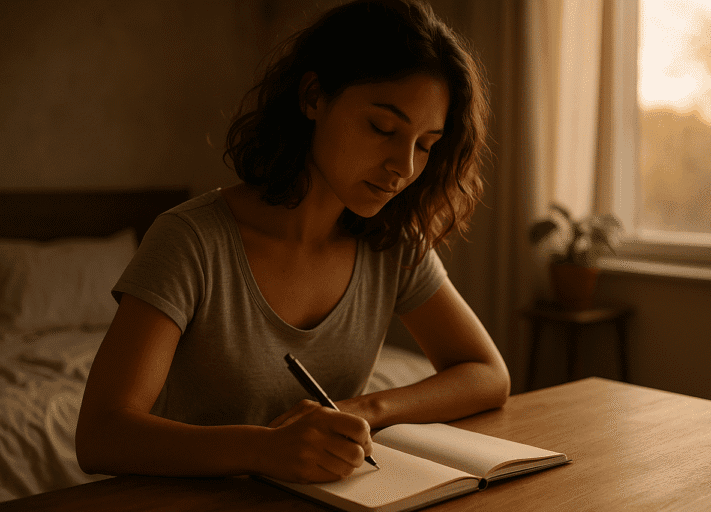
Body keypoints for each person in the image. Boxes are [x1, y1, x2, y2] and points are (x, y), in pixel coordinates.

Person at [76, 0, 510, 485]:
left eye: (426, 144)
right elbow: (100, 435)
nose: (404, 167)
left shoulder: (391, 241)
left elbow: (487, 374)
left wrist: (364, 408)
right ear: (312, 97)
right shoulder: (192, 240)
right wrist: (264, 449)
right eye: (382, 128)